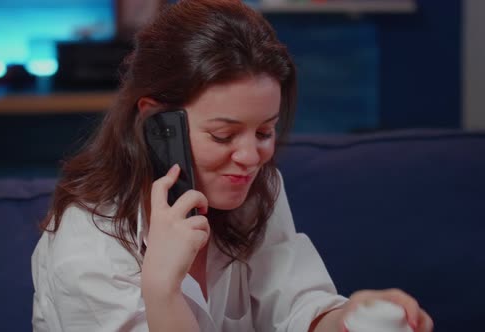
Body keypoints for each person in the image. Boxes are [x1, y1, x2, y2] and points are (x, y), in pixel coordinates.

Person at [31, 0, 434, 331]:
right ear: (157, 123)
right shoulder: (89, 246)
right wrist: (163, 291)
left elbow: (295, 306)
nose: (250, 158)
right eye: (223, 136)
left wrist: (351, 319)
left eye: (264, 132)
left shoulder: (258, 188)